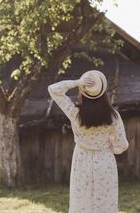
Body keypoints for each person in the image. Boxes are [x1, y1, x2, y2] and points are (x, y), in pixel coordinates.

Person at [47, 70, 129, 213]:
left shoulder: (75, 114)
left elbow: (53, 89)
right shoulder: (113, 116)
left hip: (82, 161)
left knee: (82, 202)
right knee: (105, 204)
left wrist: (78, 82)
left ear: (83, 92)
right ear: (103, 93)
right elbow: (121, 145)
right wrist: (111, 146)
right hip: (105, 161)